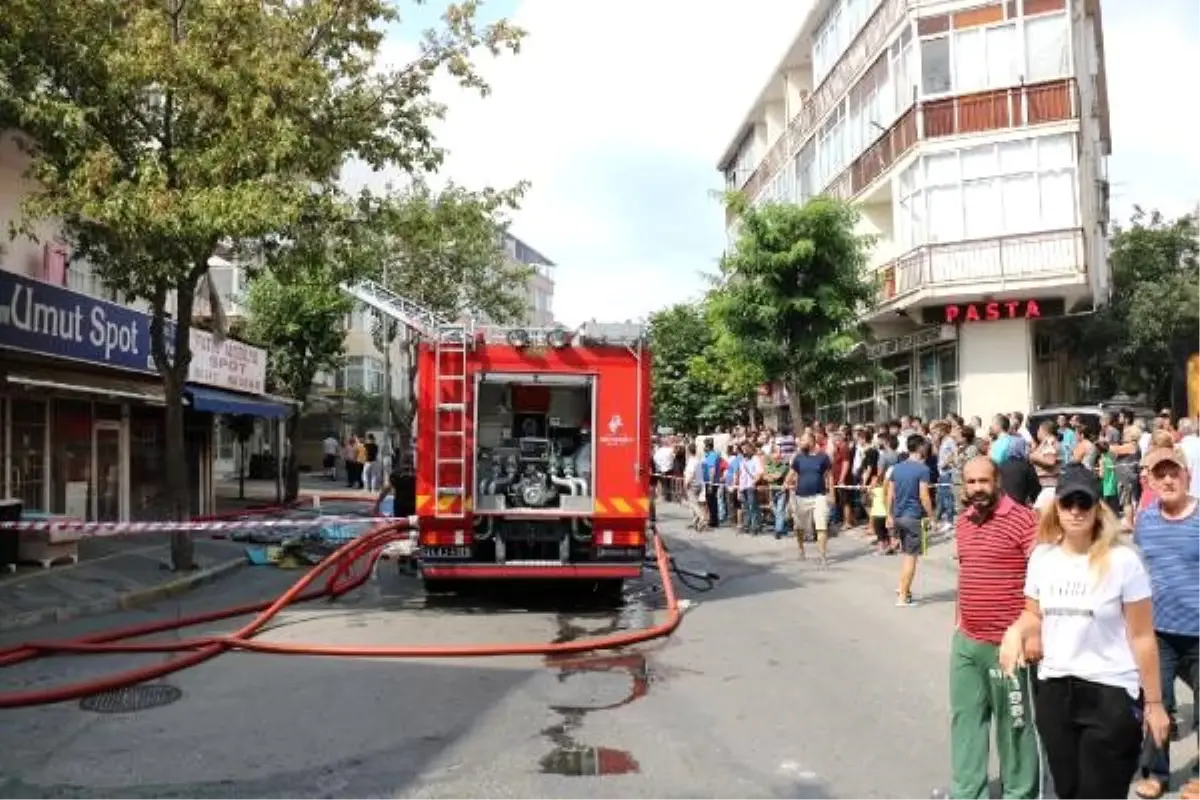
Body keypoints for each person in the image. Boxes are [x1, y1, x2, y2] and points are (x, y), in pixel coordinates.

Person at [1000, 465, 1171, 800]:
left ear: (1097, 508)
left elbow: (1142, 636)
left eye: (1084, 502)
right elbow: (1033, 615)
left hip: (1110, 692)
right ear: (1056, 507)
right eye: (1068, 503)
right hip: (1055, 690)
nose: (1076, 511)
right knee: (1068, 791)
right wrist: (1015, 632)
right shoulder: (1042, 558)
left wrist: (1154, 703)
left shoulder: (1124, 561)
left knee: (1099, 793)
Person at [949, 457, 1042, 799]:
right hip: (967, 642)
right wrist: (959, 622)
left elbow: (1041, 580)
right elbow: (965, 574)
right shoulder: (962, 522)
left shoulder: (1023, 520)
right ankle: (966, 792)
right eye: (971, 482)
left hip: (1007, 646)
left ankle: (1019, 792)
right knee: (966, 723)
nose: (977, 489)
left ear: (997, 481)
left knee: (1014, 728)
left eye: (984, 481)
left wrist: (1032, 632)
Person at [1132, 446, 1200, 800]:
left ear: (1187, 475)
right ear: (1151, 481)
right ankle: (1156, 773)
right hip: (1159, 632)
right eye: (1161, 474)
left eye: (1175, 473)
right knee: (1156, 704)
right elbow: (1142, 571)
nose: (1169, 479)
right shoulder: (1146, 521)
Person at [886, 434, 933, 606]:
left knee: (906, 555)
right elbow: (924, 495)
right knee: (911, 558)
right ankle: (902, 597)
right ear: (920, 448)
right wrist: (932, 516)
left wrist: (889, 515)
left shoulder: (896, 468)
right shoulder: (923, 470)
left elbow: (890, 493)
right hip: (913, 517)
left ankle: (902, 587)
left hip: (898, 516)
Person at [786, 432, 833, 565]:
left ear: (812, 442)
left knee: (821, 526)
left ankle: (822, 555)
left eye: (803, 441)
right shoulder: (798, 458)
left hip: (819, 496)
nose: (801, 443)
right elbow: (792, 472)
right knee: (799, 527)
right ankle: (801, 549)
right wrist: (786, 482)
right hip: (801, 497)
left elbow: (830, 476)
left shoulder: (823, 457)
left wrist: (832, 494)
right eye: (801, 441)